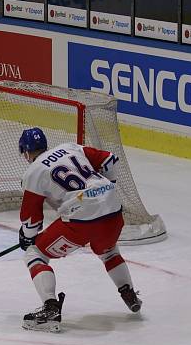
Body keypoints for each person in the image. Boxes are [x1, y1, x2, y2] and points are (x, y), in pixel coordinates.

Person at [17, 127, 142, 332]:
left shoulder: (33, 171)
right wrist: (103, 192)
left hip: (80, 220)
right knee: (108, 250)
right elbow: (110, 160)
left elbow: (31, 220)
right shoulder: (70, 147)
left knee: (35, 254)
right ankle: (128, 292)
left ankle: (50, 308)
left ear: (26, 152)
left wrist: (27, 237)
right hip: (113, 209)